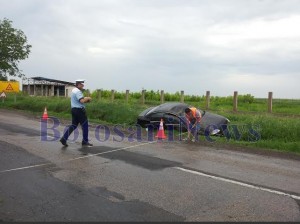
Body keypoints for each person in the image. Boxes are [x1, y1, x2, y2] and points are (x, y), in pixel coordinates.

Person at [60, 79, 93, 147]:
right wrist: (88, 98)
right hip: (79, 110)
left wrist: (85, 98)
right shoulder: (78, 92)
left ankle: (64, 138)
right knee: (85, 125)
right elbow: (82, 101)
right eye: (81, 84)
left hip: (74, 110)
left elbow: (79, 99)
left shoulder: (74, 90)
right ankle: (85, 141)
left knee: (74, 125)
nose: (83, 85)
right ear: (78, 84)